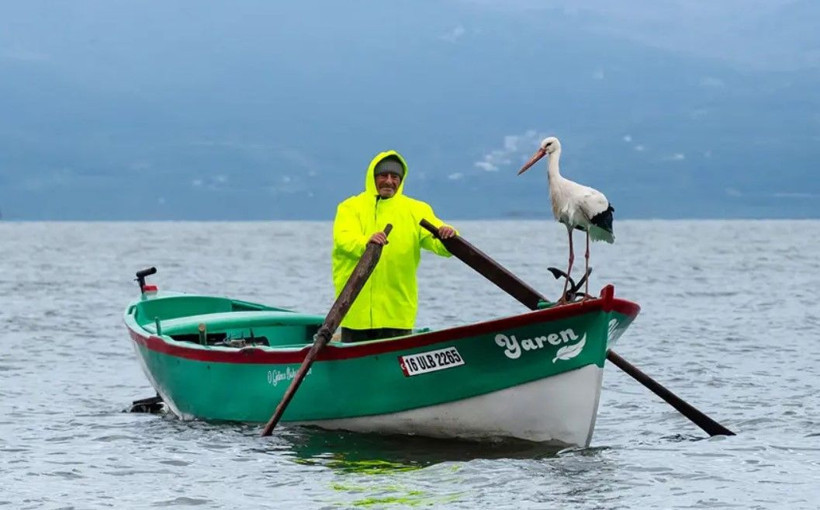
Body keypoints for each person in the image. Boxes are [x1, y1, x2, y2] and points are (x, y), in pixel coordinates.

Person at [332, 150, 457, 343]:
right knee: (356, 360)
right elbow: (344, 240)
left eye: (395, 176)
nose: (389, 181)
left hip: (397, 312)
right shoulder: (349, 208)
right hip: (355, 309)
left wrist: (448, 237)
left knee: (394, 360)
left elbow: (438, 244)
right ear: (372, 177)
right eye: (383, 175)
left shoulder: (417, 210)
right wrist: (366, 242)